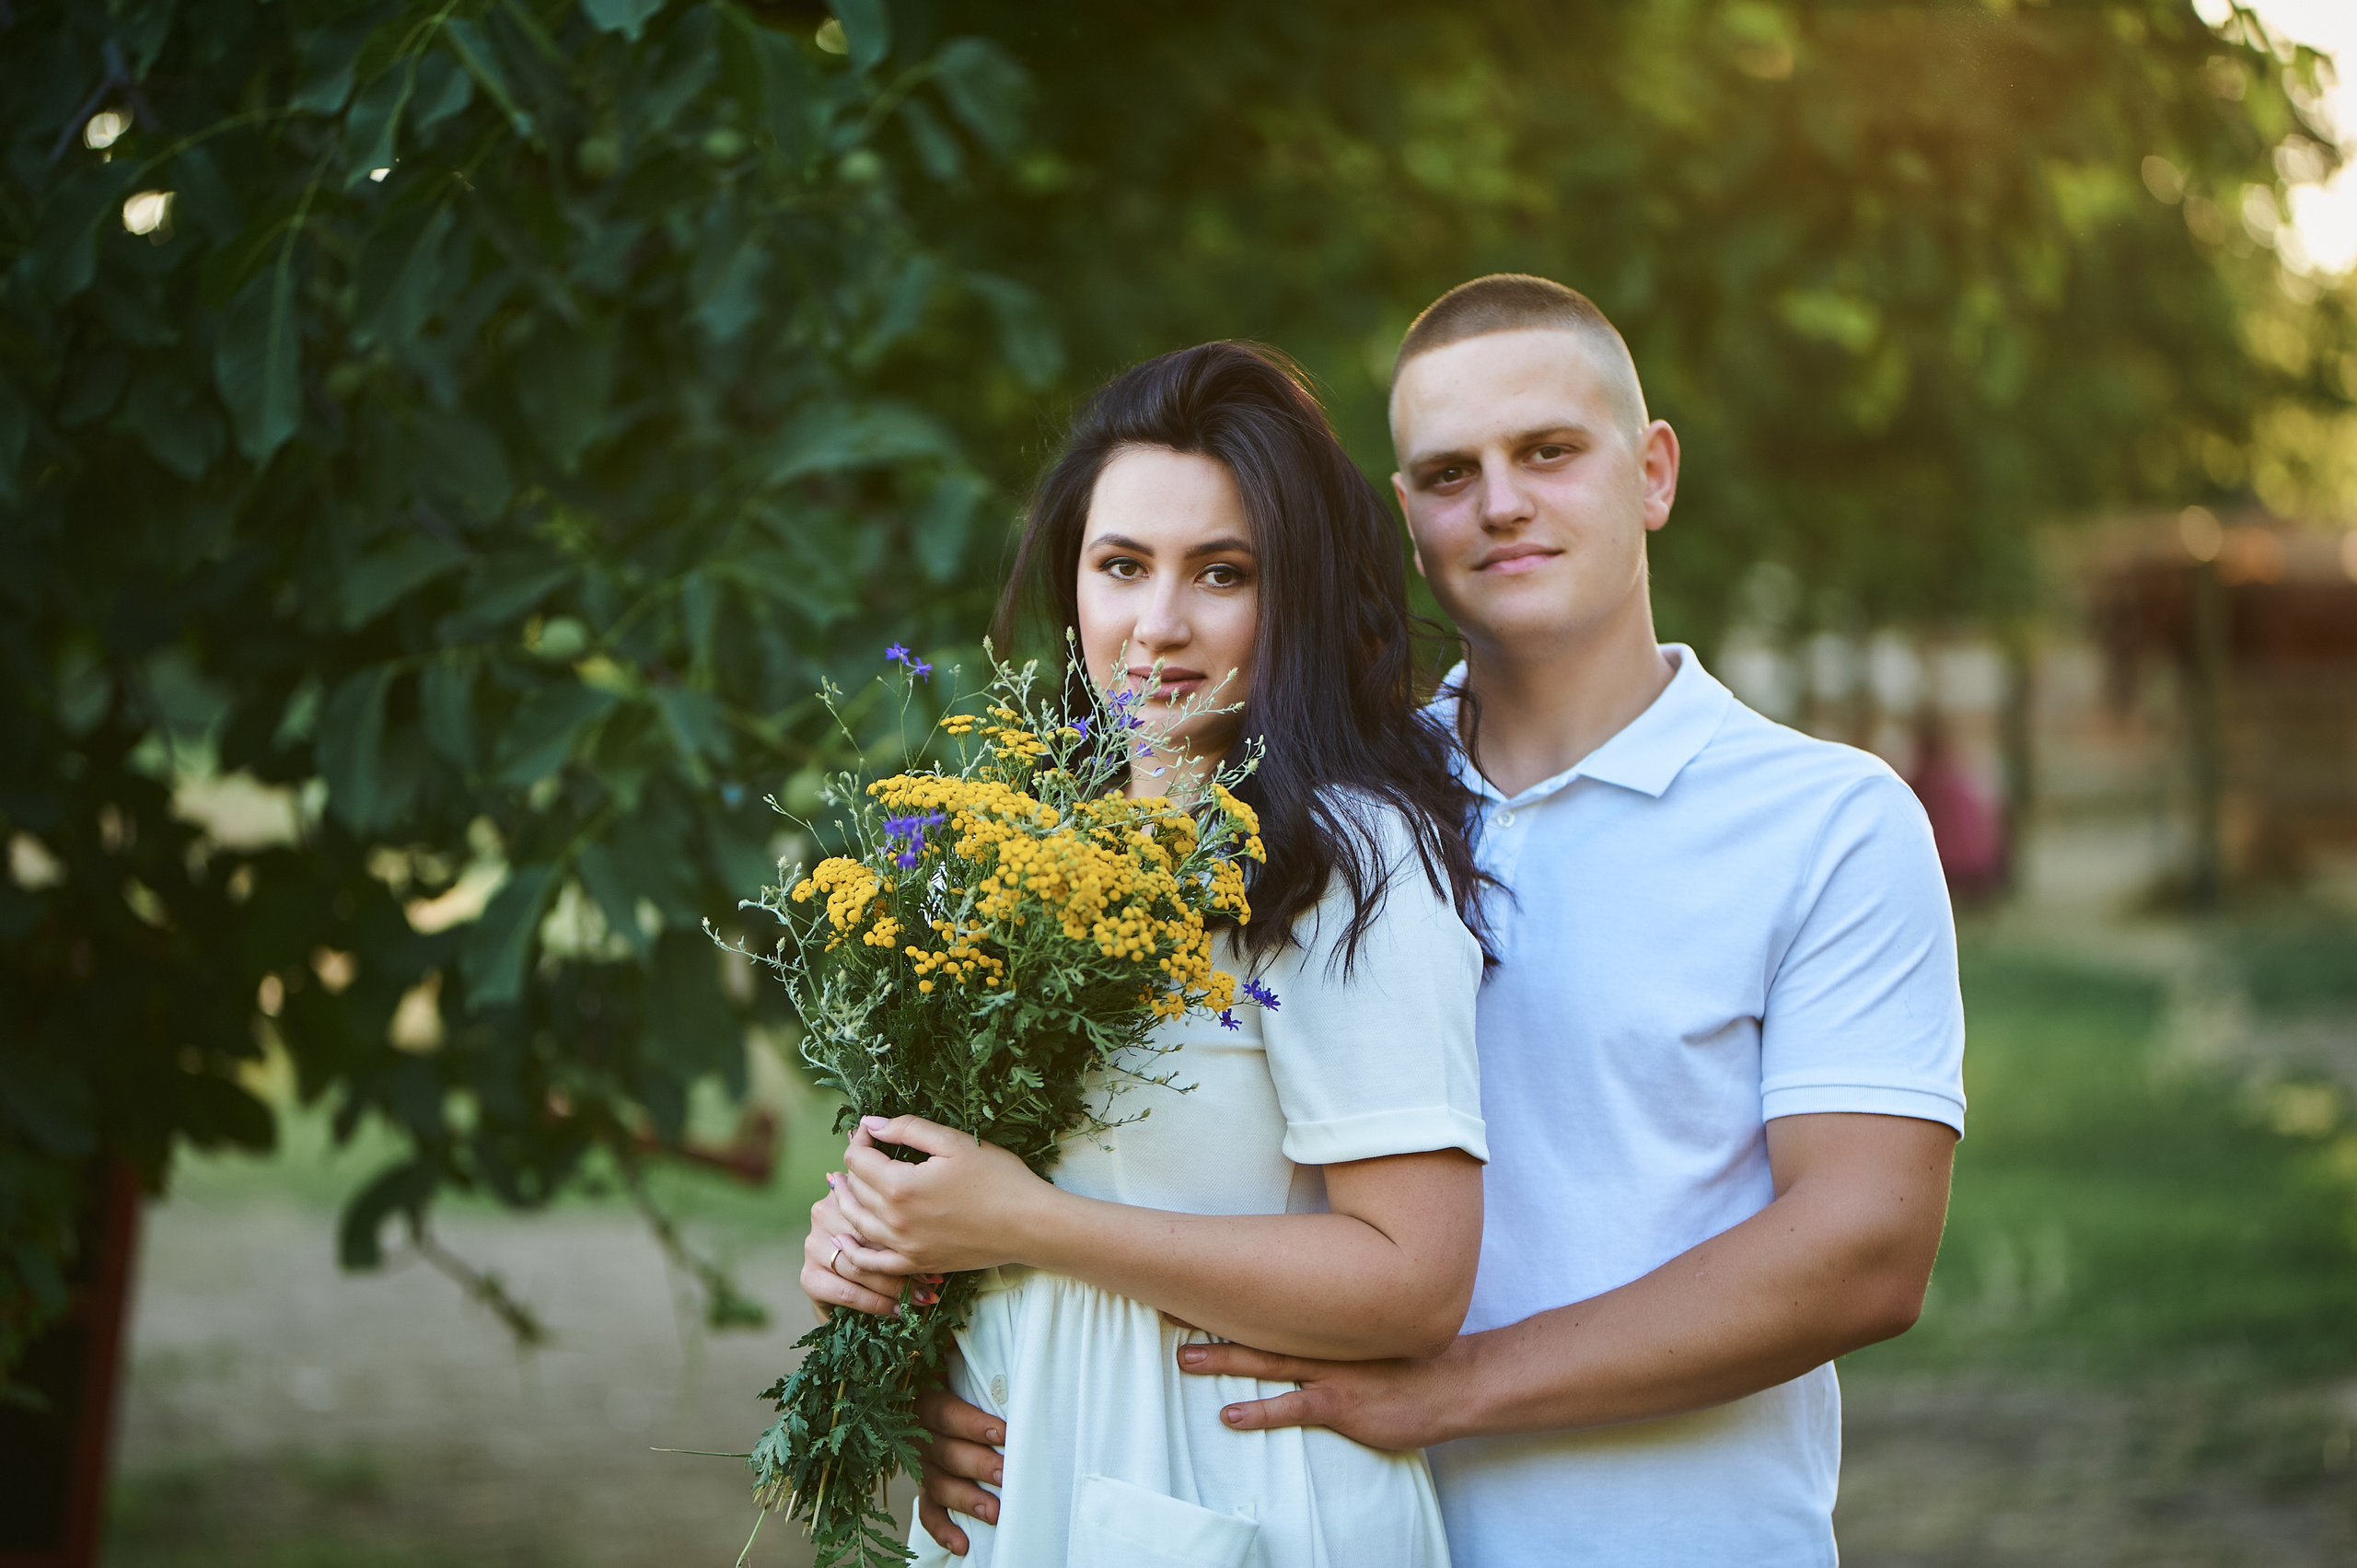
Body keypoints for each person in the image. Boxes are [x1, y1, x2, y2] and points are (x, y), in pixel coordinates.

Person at [897, 276, 1968, 1566]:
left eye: (1550, 452)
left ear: (1654, 472)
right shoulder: (1298, 819)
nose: (1501, 503)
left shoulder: (1827, 820)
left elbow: (1865, 1252)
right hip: (1318, 1517)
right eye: (1452, 473)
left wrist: (1455, 1387)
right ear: (1406, 520)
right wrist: (982, 1368)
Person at [802, 340, 1495, 1566]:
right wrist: (879, 1251)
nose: (1159, 625)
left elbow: (1416, 1281)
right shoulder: (1031, 841)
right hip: (1026, 1476)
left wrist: (1027, 1225)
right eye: (1122, 566)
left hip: (1233, 1477)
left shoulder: (1345, 854)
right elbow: (989, 1189)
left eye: (1223, 573)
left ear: (1298, 595)